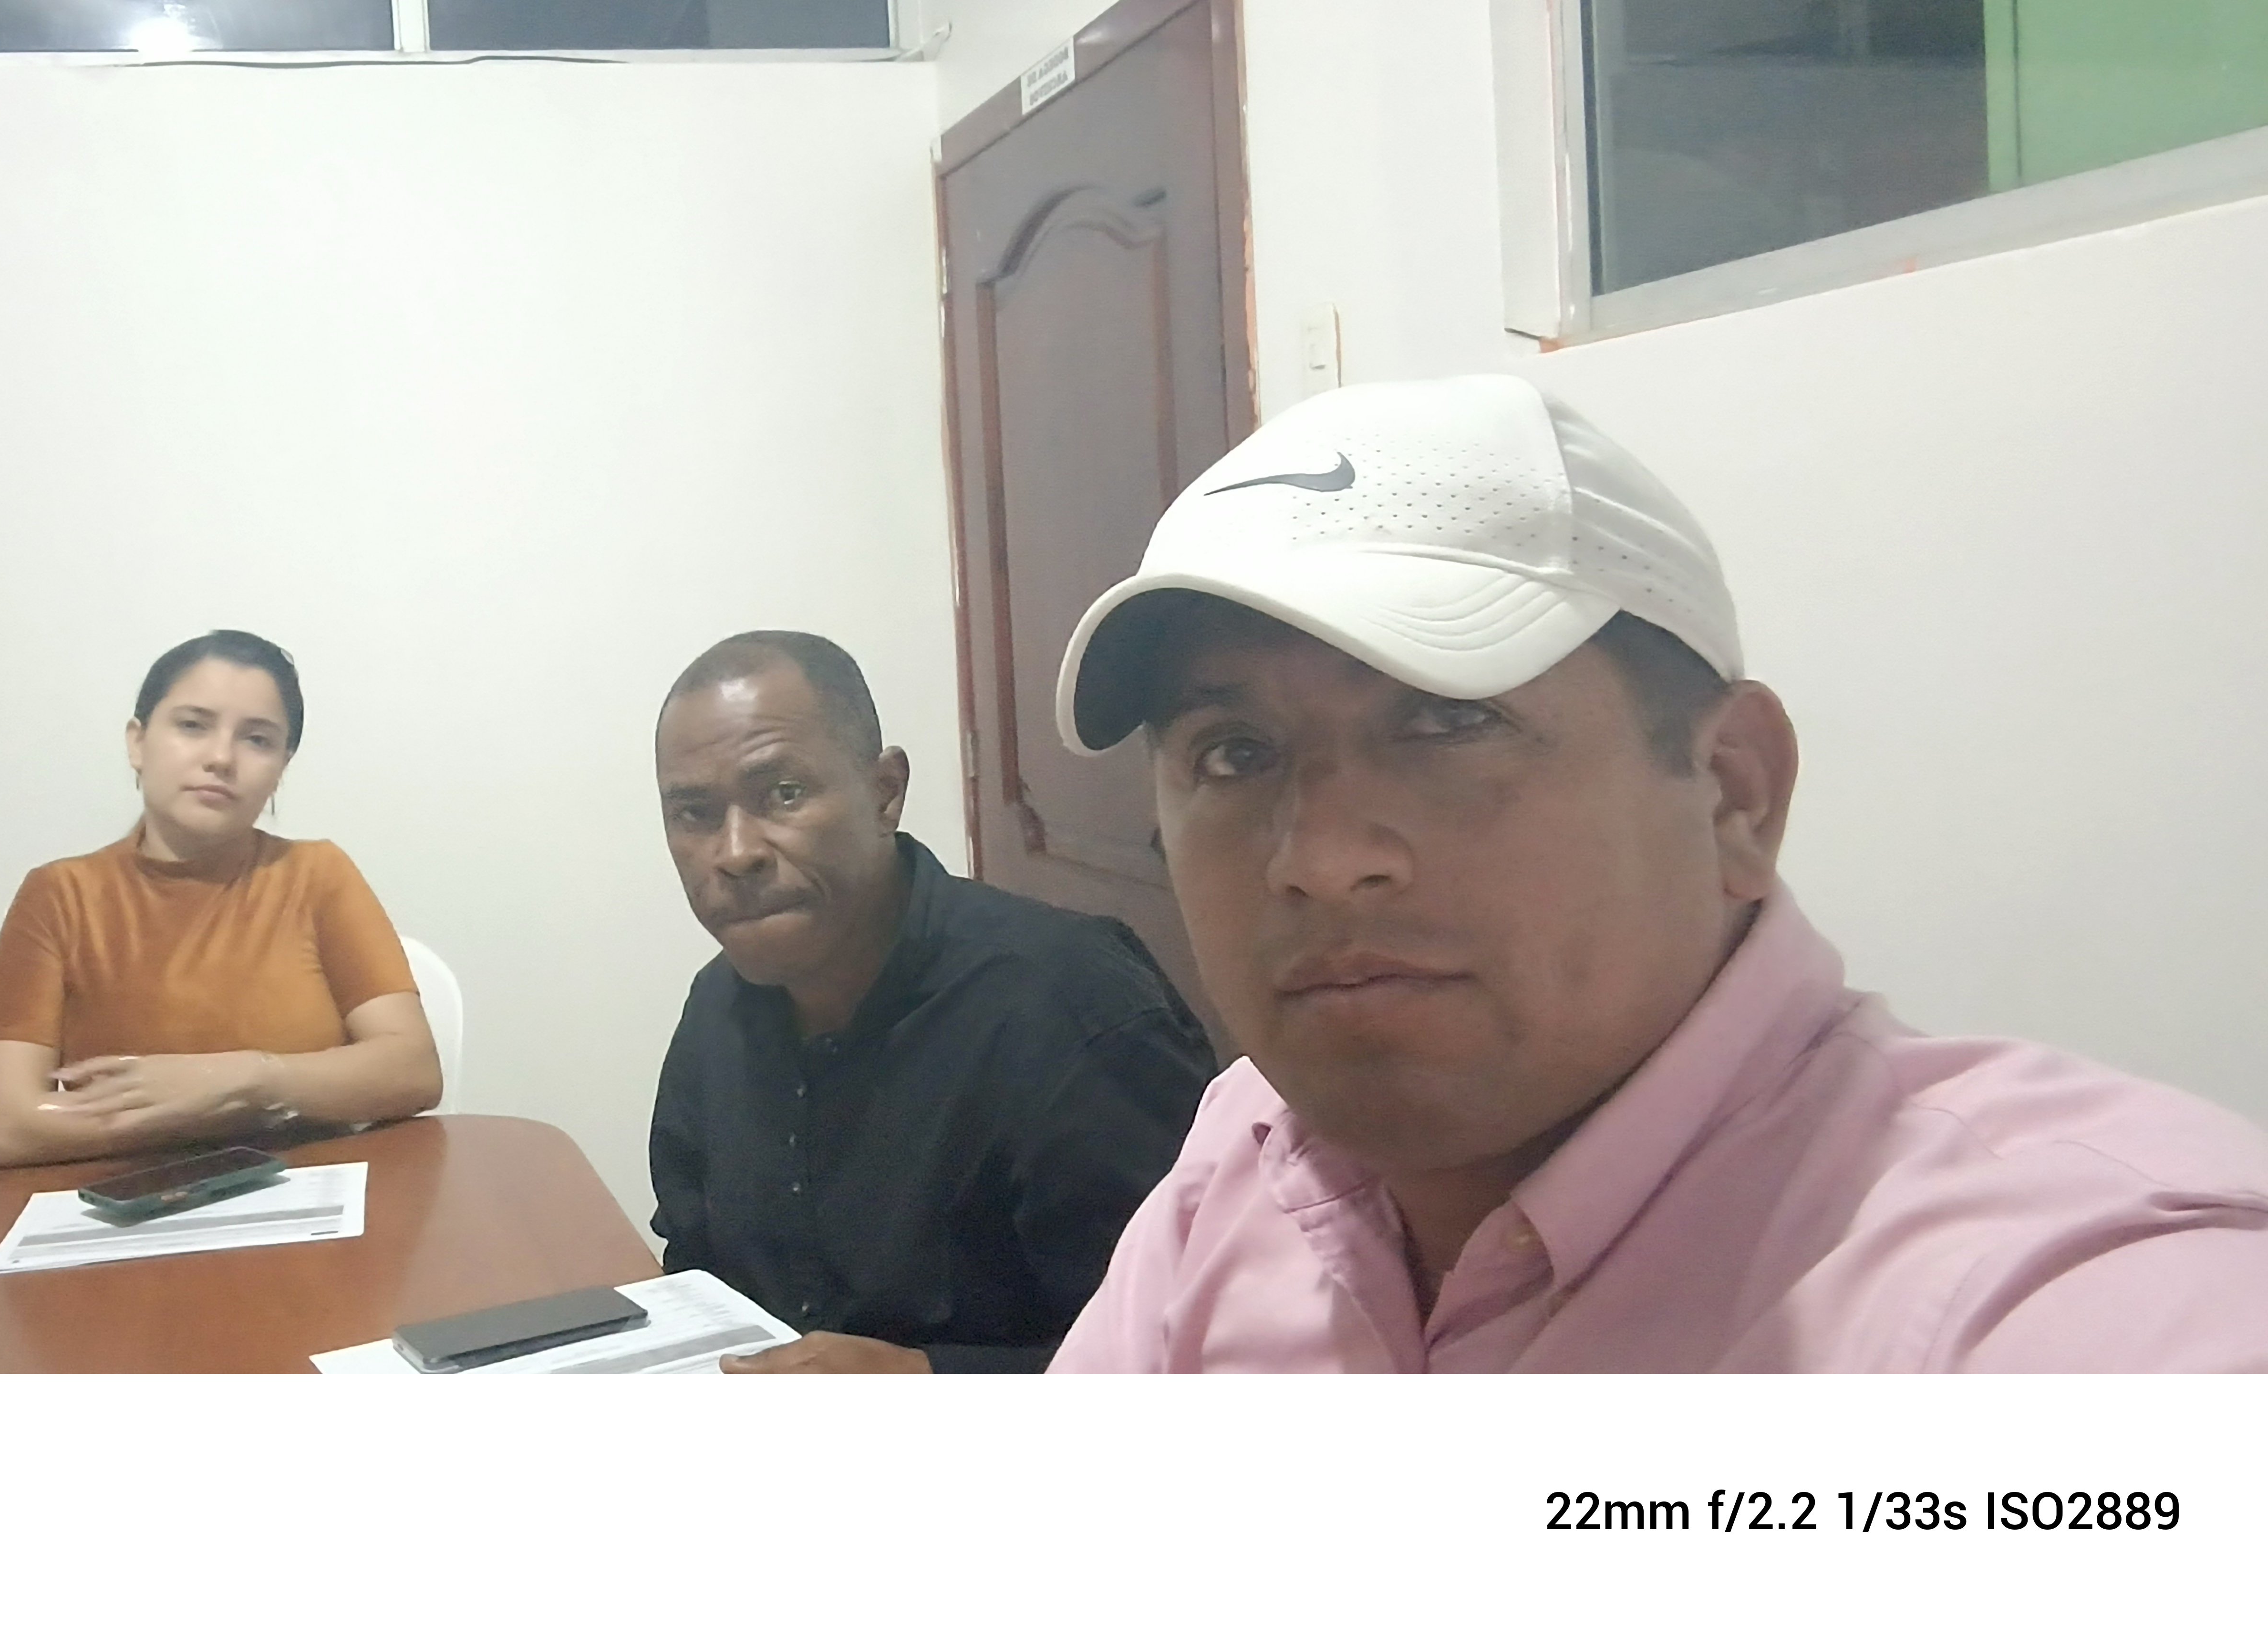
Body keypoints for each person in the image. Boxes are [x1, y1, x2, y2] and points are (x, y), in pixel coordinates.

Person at [1046, 374, 2268, 1371]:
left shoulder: (2075, 1287)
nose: (1318, 861)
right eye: (1233, 752)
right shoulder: (1246, 1160)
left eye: (1449, 724)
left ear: (1734, 791)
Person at [648, 631, 1215, 1373]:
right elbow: (696, 1275)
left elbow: (1191, 1353)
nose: (735, 853)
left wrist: (926, 1379)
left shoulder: (1073, 1013)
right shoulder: (717, 1009)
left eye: (783, 794)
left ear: (885, 792)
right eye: (694, 814)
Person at [0, 631, 440, 1167]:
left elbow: (412, 1068)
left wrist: (244, 1079)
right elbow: (7, 1124)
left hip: (307, 1191)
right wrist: (213, 1109)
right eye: (193, 725)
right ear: (138, 743)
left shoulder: (317, 875)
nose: (221, 757)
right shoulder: (61, 896)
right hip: (125, 1201)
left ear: (282, 767)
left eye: (257, 740)